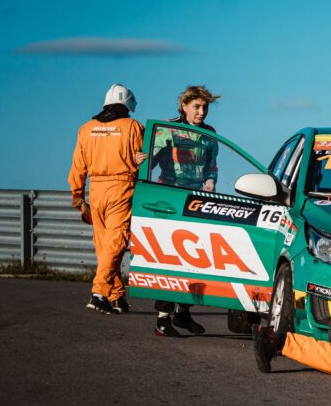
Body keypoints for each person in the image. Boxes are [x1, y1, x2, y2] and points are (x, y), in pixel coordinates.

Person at [150, 85, 220, 337]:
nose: (202, 112)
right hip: (170, 199)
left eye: (205, 107)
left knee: (196, 258)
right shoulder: (167, 129)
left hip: (197, 200)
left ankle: (183, 312)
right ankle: (162, 319)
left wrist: (211, 180)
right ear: (184, 107)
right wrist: (140, 159)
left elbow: (212, 165)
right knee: (171, 259)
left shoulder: (210, 133)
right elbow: (150, 160)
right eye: (197, 107)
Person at [68, 84, 144, 315]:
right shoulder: (132, 126)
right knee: (117, 242)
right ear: (129, 105)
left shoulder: (86, 128)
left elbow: (77, 166)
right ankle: (99, 293)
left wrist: (78, 196)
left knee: (104, 246)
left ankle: (117, 297)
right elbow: (145, 161)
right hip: (122, 188)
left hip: (96, 189)